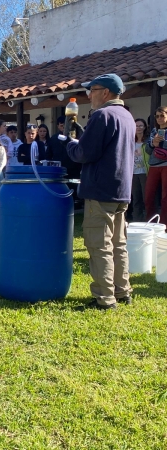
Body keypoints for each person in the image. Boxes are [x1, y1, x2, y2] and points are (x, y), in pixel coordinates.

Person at [66, 73, 135, 309]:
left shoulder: (102, 115)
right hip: (121, 190)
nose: (89, 95)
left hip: (100, 190)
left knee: (99, 245)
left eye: (92, 90)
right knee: (118, 244)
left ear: (105, 92)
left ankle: (104, 298)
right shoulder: (126, 116)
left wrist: (72, 145)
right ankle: (122, 290)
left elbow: (85, 154)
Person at [145, 107, 167, 225]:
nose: (159, 118)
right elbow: (148, 150)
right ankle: (151, 222)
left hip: (166, 166)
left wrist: (162, 142)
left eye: (162, 116)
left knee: (165, 198)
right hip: (153, 166)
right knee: (148, 195)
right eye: (157, 116)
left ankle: (164, 225)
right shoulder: (154, 131)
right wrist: (154, 143)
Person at [130, 118, 150, 222]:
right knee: (136, 199)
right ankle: (136, 221)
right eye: (136, 126)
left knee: (147, 198)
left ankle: (149, 221)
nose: (138, 128)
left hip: (145, 173)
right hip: (133, 173)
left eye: (140, 126)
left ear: (145, 127)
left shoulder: (148, 141)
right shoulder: (130, 141)